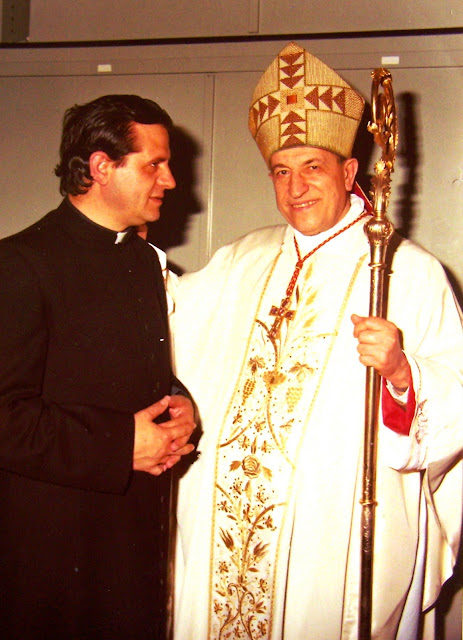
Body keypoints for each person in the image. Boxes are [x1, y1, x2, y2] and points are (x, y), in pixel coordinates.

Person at [171, 43, 463, 639]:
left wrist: (403, 373)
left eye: (312, 168)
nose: (295, 187)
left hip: (330, 548)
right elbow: (166, 324)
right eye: (281, 171)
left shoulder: (407, 272)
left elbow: (455, 396)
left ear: (350, 173)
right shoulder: (240, 259)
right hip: (223, 534)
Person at [0, 94, 196, 639]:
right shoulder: (18, 264)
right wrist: (119, 444)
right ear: (102, 166)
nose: (170, 180)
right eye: (154, 164)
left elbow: (130, 368)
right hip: (53, 555)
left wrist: (180, 403)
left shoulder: (142, 261)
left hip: (132, 543)